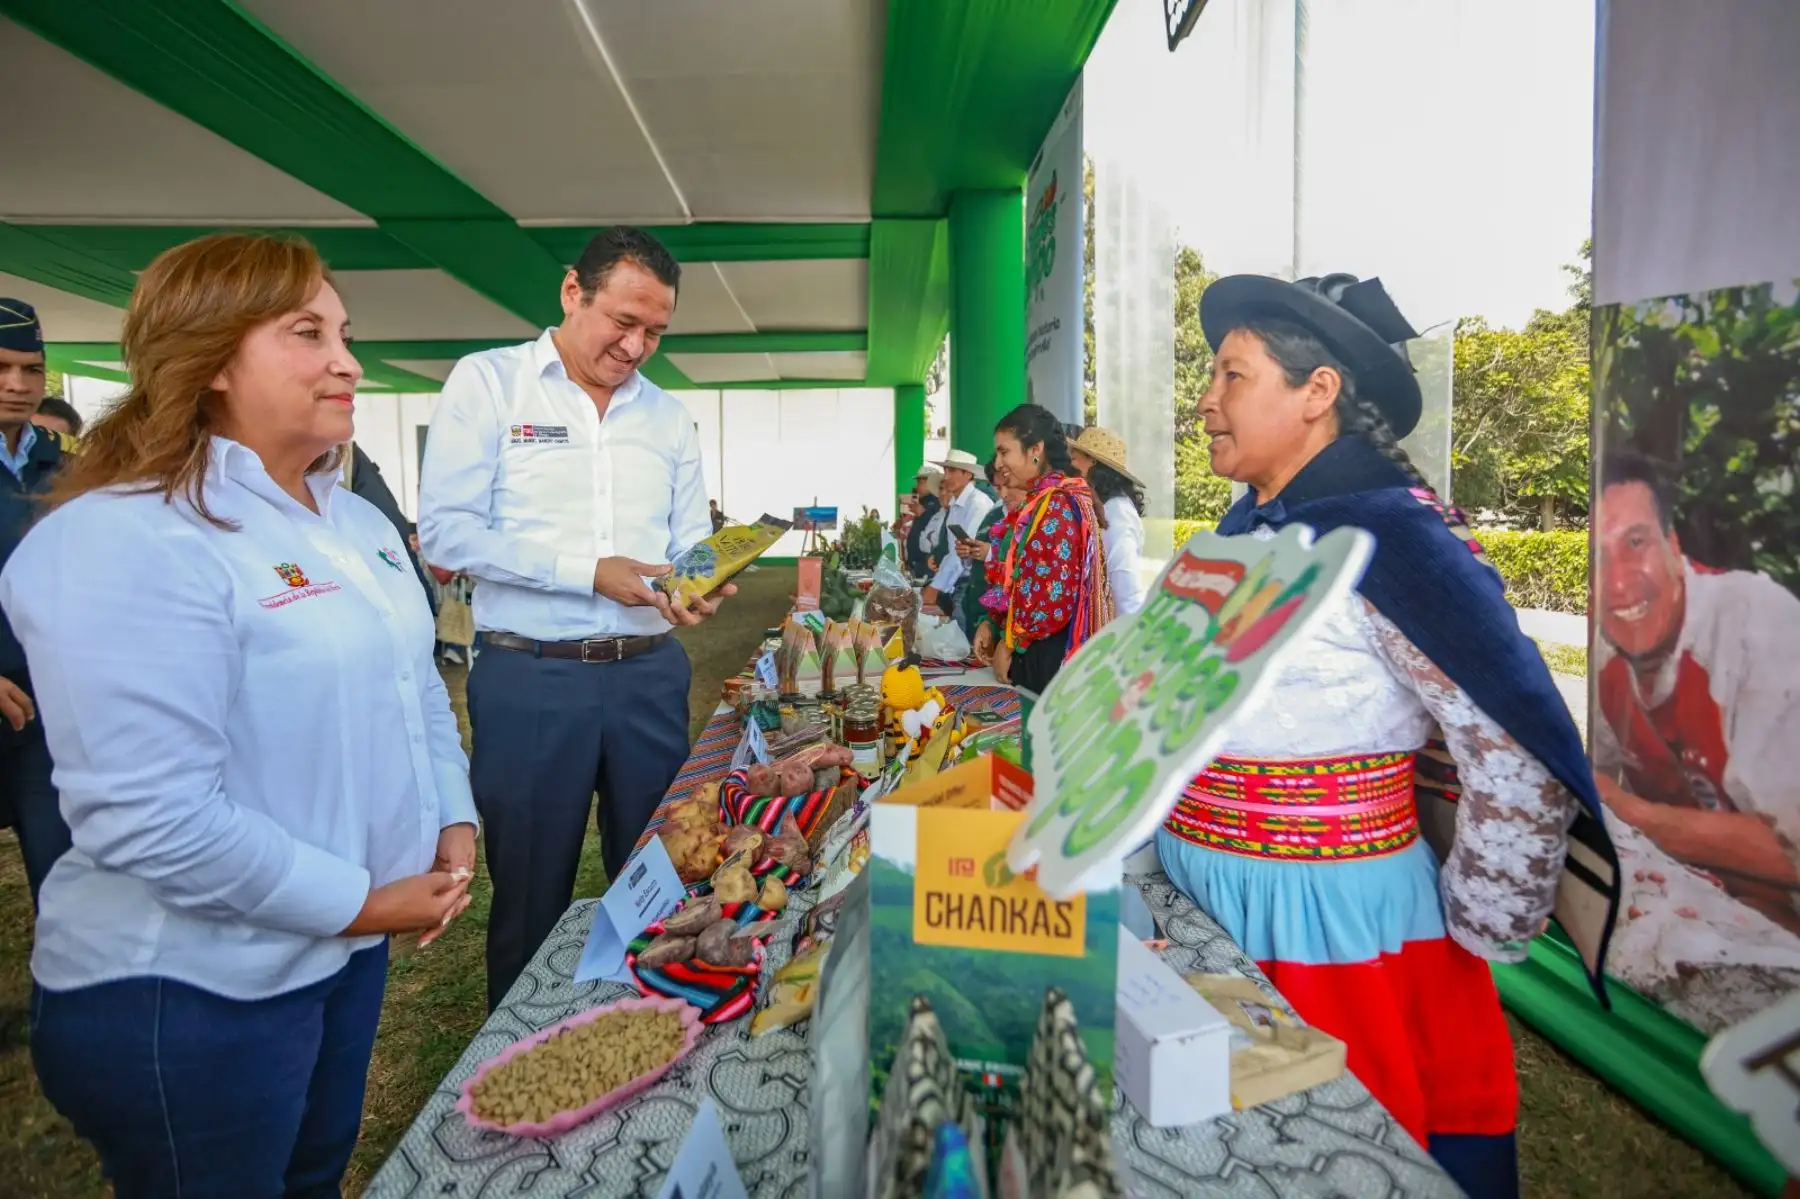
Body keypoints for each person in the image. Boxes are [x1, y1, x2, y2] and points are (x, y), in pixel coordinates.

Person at [0, 233, 477, 1196]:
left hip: (337, 956)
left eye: (346, 333)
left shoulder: (353, 522)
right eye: (308, 333)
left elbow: (413, 680)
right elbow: (153, 818)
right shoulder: (128, 534)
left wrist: (450, 818)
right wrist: (364, 903)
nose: (348, 359)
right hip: (193, 988)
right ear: (212, 360)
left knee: (310, 1176)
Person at [1152, 272, 1620, 1199]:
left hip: (1326, 926)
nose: (1205, 400)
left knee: (1328, 1156)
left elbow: (1515, 749)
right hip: (1203, 893)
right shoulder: (1241, 532)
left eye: (1231, 375)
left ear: (1316, 391)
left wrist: (1475, 928)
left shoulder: (1396, 542)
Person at [418, 226, 729, 1011]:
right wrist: (586, 573)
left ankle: (649, 1042)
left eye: (655, 331)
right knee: (529, 897)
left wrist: (705, 577)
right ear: (571, 291)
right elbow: (448, 533)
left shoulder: (668, 417)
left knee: (660, 883)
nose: (636, 346)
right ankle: (520, 1068)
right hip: (531, 678)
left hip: (650, 679)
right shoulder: (489, 385)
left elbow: (689, 539)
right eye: (622, 321)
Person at [1590, 450, 1800, 936]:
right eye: (1600, 556)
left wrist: (1636, 816)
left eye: (1636, 542)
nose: (1617, 582)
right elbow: (1599, 777)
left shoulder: (1755, 625)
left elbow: (1791, 851)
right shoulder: (1607, 646)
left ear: (1674, 548)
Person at [0, 298, 75, 905]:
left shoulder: (69, 470)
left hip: (48, 709)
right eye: (1, 367)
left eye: (30, 369)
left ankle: (64, 1000)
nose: (16, 385)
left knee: (66, 880)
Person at [975, 403, 1113, 693]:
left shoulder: (1057, 505)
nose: (998, 463)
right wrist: (993, 623)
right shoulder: (1039, 502)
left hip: (1048, 657)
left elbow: (1051, 601)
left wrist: (1011, 642)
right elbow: (1018, 580)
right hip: (1035, 649)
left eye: (1004, 451)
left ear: (1035, 450)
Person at [1069, 426, 1147, 616]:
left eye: (1074, 457)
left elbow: (1124, 583)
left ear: (1092, 462)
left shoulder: (1117, 513)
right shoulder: (1105, 508)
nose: (1070, 463)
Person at [921, 448, 997, 623]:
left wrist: (936, 586)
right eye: (946, 470)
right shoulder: (956, 505)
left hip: (974, 584)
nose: (946, 476)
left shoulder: (978, 504)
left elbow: (962, 551)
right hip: (959, 583)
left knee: (963, 639)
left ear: (968, 474)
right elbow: (953, 550)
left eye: (952, 471)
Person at [960, 464, 1027, 648]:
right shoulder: (993, 515)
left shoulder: (1030, 520)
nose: (1003, 495)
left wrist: (990, 553)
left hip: (1009, 622)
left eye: (1008, 486)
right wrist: (968, 553)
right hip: (981, 608)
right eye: (998, 488)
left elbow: (1021, 569)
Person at [902, 467, 943, 579]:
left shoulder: (938, 503)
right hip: (917, 564)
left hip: (928, 564)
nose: (917, 486)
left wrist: (924, 513)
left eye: (920, 482)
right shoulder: (923, 502)